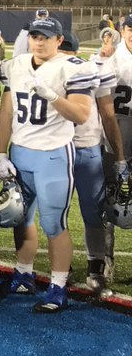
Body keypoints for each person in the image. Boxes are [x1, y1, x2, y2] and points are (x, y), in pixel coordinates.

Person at [0, 17, 95, 312]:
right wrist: (0, 153)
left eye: (46, 37)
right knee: (20, 218)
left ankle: (58, 286)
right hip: (21, 152)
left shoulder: (73, 66)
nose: (39, 41)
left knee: (53, 222)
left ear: (58, 40)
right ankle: (24, 273)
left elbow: (81, 115)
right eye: (35, 36)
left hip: (53, 154)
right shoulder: (15, 65)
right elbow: (7, 112)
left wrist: (53, 97)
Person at [59, 32, 123, 298]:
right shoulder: (41, 69)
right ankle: (60, 268)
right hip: (56, 151)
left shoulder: (91, 71)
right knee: (54, 214)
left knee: (93, 215)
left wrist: (118, 155)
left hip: (86, 150)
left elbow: (108, 116)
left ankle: (95, 268)